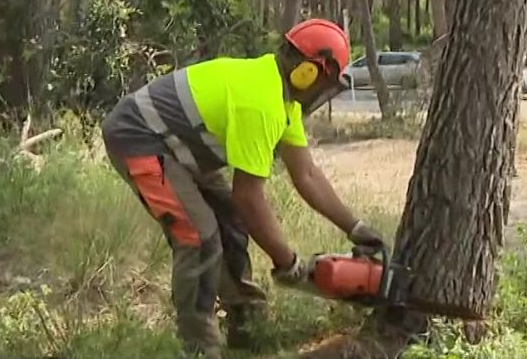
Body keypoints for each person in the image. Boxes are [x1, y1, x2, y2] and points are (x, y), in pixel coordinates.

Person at [100, 18, 387, 358]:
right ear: (309, 72)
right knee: (200, 236)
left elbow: (306, 174)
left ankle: (246, 325)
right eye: (325, 82)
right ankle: (199, 347)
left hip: (180, 146)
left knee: (231, 224)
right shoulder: (261, 102)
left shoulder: (283, 101)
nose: (323, 92)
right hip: (139, 138)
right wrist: (288, 263)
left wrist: (357, 229)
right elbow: (249, 197)